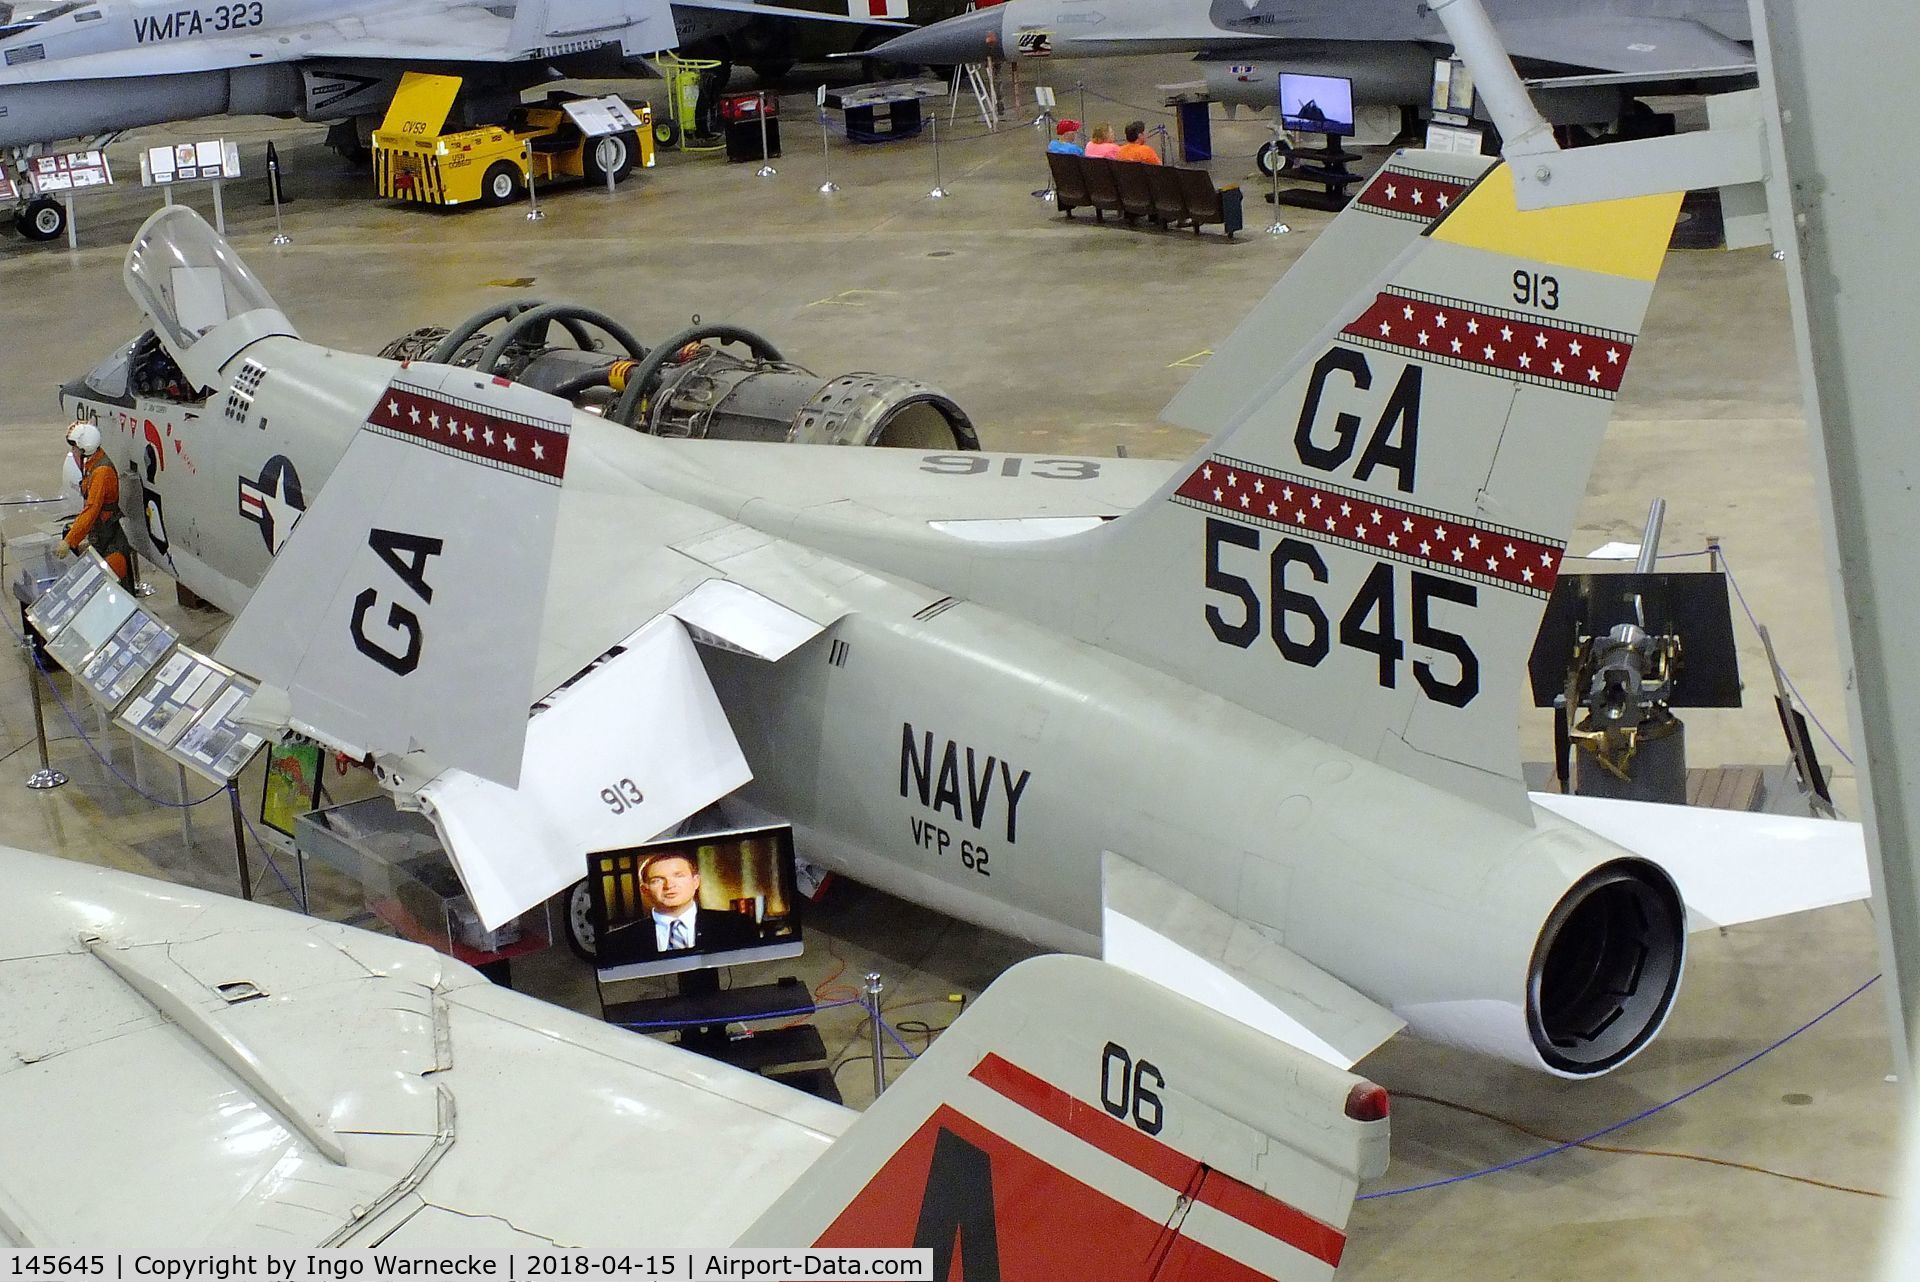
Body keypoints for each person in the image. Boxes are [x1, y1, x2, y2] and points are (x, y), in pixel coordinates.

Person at [627, 851, 760, 956]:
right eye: (657, 880)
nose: (669, 885)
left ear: (696, 882)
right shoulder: (621, 940)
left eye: (679, 876)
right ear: (644, 890)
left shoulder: (736, 925)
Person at [62, 420, 133, 589]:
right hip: (103, 535)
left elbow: (92, 509)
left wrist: (70, 540)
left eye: (75, 447)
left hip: (109, 538)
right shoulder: (94, 464)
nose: (73, 451)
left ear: (85, 448)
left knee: (114, 586)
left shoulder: (101, 472)